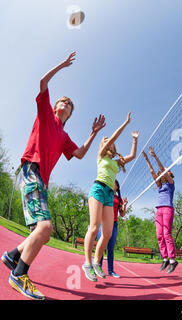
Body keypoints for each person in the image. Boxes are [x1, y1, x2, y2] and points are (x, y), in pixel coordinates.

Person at [1, 52, 106, 300]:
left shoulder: (64, 137)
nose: (66, 103)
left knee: (42, 232)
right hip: (31, 170)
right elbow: (42, 83)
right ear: (56, 106)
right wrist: (62, 65)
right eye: (63, 101)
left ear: (70, 114)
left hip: (42, 182)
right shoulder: (45, 113)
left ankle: (13, 256)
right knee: (45, 228)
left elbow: (79, 154)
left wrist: (92, 133)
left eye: (70, 104)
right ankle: (19, 274)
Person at [82, 112, 138, 282]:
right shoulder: (100, 155)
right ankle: (87, 263)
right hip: (98, 188)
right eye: (106, 142)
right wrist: (125, 123)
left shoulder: (116, 162)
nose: (109, 143)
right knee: (94, 228)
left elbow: (132, 156)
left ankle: (97, 262)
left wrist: (134, 139)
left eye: (110, 142)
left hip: (109, 194)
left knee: (106, 234)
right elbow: (113, 137)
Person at [142, 147, 178, 273]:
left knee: (167, 234)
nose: (163, 172)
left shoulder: (170, 183)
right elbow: (152, 171)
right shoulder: (160, 185)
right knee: (159, 235)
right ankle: (165, 258)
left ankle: (173, 260)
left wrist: (155, 156)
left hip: (168, 208)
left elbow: (162, 170)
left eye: (167, 171)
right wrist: (147, 159)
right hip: (159, 210)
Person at [97, 180, 128, 278]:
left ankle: (111, 271)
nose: (111, 184)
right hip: (104, 222)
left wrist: (124, 205)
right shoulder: (106, 194)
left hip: (114, 224)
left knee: (111, 248)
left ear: (117, 187)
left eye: (114, 183)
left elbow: (122, 214)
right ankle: (98, 267)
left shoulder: (118, 199)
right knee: (101, 245)